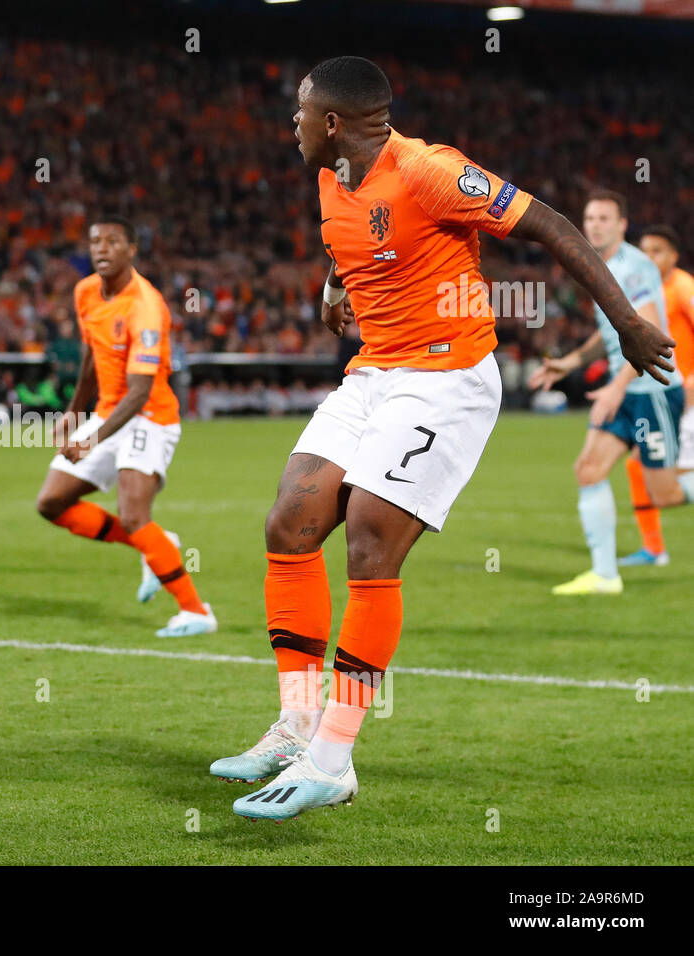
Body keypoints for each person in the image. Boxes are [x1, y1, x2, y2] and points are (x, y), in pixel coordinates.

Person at [215, 57, 673, 821]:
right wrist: (335, 288)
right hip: (374, 371)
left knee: (368, 538)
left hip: (447, 376)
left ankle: (333, 758)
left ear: (332, 122)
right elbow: (348, 245)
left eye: (299, 113)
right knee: (289, 524)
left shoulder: (430, 171)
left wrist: (625, 322)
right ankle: (295, 727)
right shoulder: (333, 177)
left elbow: (553, 226)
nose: (289, 125)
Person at [35, 216, 215, 638]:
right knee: (51, 503)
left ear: (131, 250)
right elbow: (91, 354)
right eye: (95, 241)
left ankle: (195, 611)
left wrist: (90, 440)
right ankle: (156, 546)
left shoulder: (145, 308)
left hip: (149, 416)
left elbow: (139, 391)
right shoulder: (85, 293)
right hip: (107, 411)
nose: (101, 248)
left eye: (113, 241)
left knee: (134, 515)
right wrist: (75, 411)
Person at [529, 195, 690, 594]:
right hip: (625, 389)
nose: (595, 225)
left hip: (650, 389)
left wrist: (616, 389)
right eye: (589, 218)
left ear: (622, 224)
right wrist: (571, 362)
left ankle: (606, 572)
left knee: (665, 494)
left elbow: (646, 335)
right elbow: (615, 332)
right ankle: (605, 575)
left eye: (604, 218)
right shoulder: (600, 266)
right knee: (588, 470)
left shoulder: (633, 268)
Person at [616, 224, 694, 566]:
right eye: (644, 250)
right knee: (638, 465)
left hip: (685, 395)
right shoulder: (645, 290)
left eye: (657, 251)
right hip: (664, 395)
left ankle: (654, 549)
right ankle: (653, 548)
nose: (648, 257)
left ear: (673, 256)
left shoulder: (683, 286)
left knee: (665, 480)